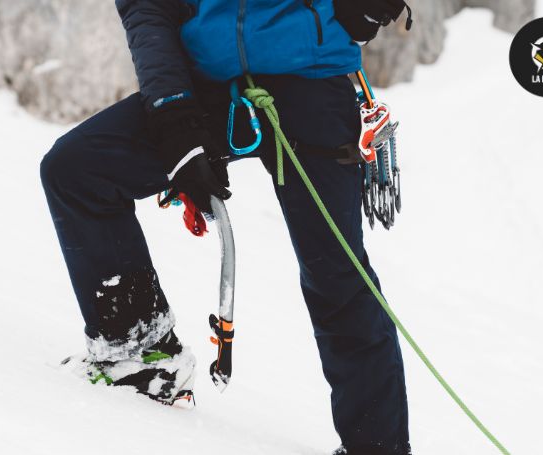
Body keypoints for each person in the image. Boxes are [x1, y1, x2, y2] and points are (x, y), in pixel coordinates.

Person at [40, 1, 413, 453]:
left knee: (335, 268)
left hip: (313, 77)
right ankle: (140, 354)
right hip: (209, 85)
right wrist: (173, 116)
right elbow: (148, 8)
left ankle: (377, 448)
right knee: (78, 168)